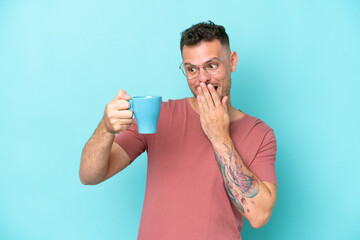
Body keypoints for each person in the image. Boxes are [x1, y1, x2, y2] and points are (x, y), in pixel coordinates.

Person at [80, 21, 277, 239]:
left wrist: (220, 137)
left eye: (212, 66)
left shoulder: (260, 134)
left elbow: (259, 215)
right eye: (192, 69)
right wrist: (106, 128)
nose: (202, 79)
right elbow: (89, 175)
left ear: (232, 62)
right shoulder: (159, 116)